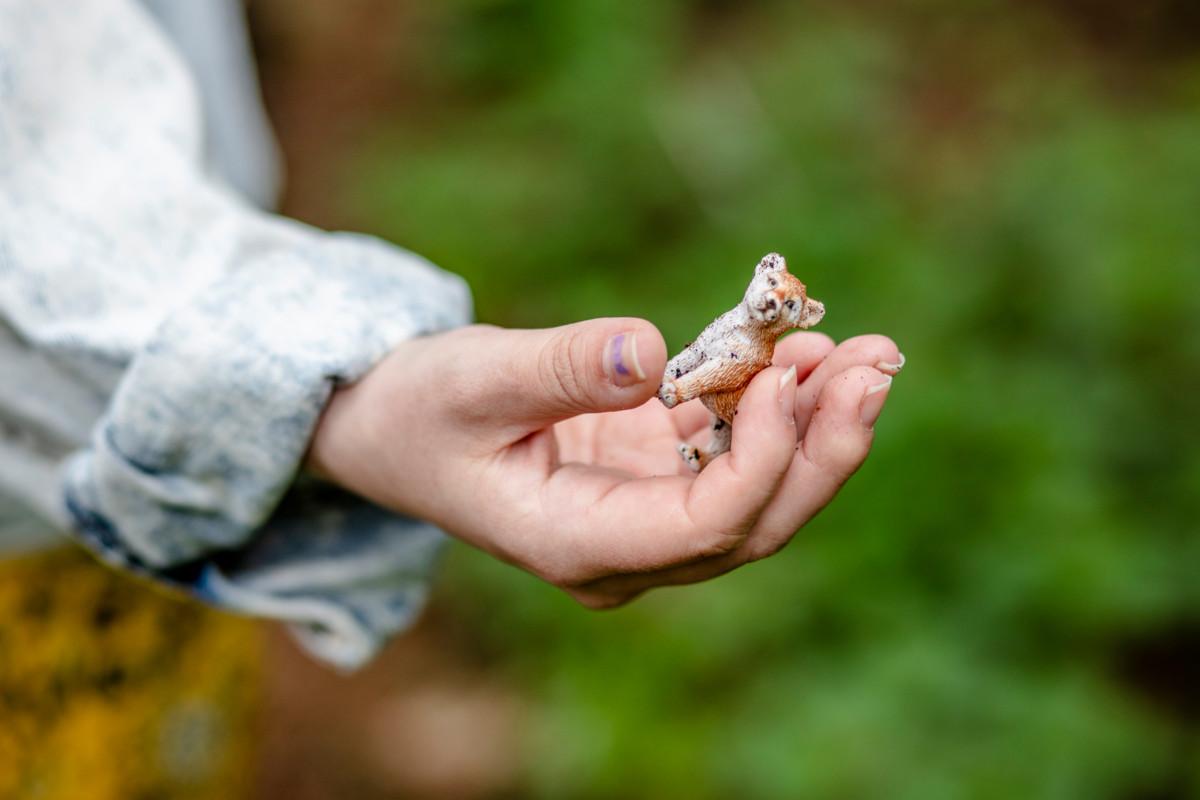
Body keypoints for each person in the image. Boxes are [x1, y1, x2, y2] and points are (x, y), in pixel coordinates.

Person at [0, 0, 901, 672]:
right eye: (771, 297)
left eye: (786, 308)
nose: (772, 307)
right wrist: (309, 376)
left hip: (151, 495)